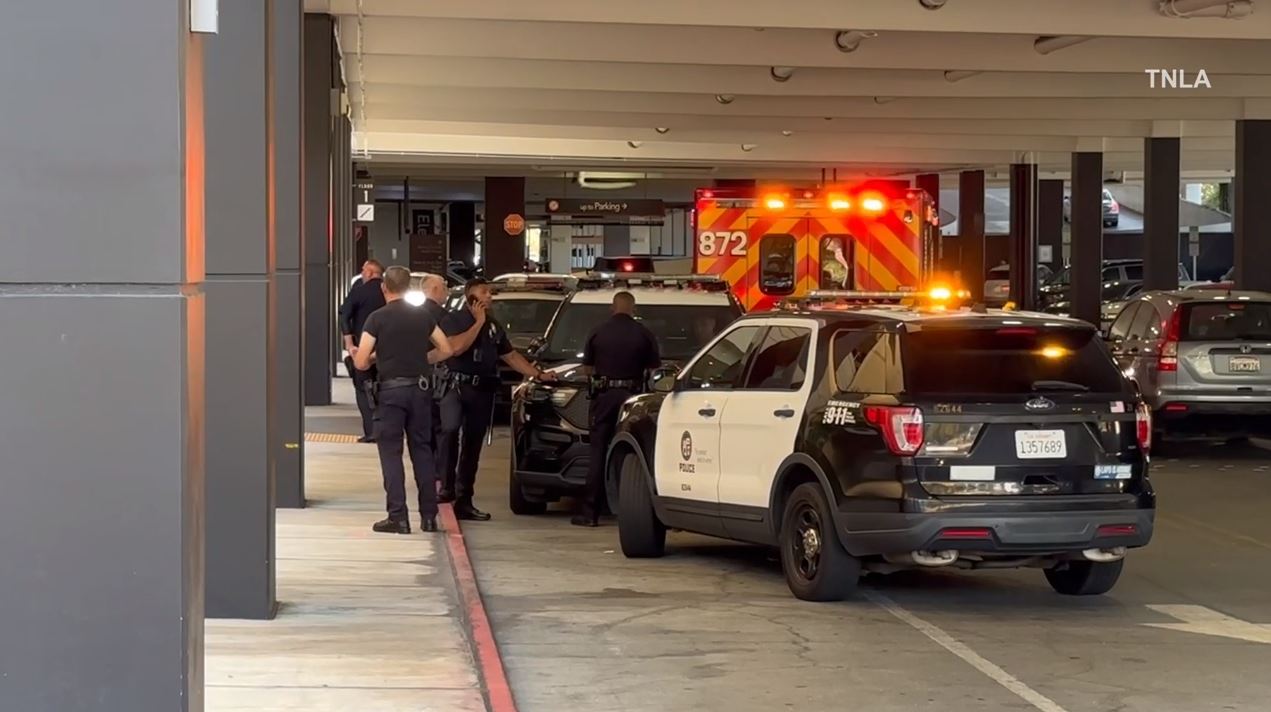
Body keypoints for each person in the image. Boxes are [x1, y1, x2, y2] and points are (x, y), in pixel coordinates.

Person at [438, 277, 555, 520]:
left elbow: (510, 356)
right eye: (484, 292)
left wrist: (539, 374)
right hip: (456, 387)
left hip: (482, 392)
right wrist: (477, 322)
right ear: (472, 297)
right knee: (450, 431)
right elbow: (456, 348)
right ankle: (445, 487)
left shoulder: (494, 327)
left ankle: (464, 499)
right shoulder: (453, 320)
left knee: (473, 445)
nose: (490, 296)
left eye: (490, 292)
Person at [353, 266, 453, 534]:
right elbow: (446, 349)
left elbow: (361, 361)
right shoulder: (423, 316)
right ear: (409, 288)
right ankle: (429, 516)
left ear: (384, 287)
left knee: (391, 453)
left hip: (390, 393)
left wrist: (377, 357)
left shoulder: (376, 319)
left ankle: (398, 516)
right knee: (422, 450)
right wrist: (423, 360)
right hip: (420, 391)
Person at [575, 291, 660, 527]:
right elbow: (653, 370)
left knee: (598, 451)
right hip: (632, 397)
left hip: (603, 396)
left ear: (613, 307)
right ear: (633, 308)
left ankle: (590, 513)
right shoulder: (644, 334)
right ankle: (628, 511)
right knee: (631, 451)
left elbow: (587, 369)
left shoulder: (597, 331)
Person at [339, 259, 386, 442]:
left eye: (364, 269)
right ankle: (385, 428)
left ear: (369, 272)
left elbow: (344, 315)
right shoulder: (388, 292)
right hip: (386, 348)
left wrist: (350, 344)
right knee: (385, 388)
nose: (362, 272)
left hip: (363, 348)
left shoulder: (359, 292)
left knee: (363, 389)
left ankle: (371, 431)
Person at [418, 274, 454, 487]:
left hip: (416, 378)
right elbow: (448, 348)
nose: (447, 292)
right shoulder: (444, 317)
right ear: (433, 289)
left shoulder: (412, 314)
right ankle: (441, 469)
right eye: (444, 288)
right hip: (438, 377)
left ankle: (426, 467)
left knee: (423, 425)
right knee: (441, 425)